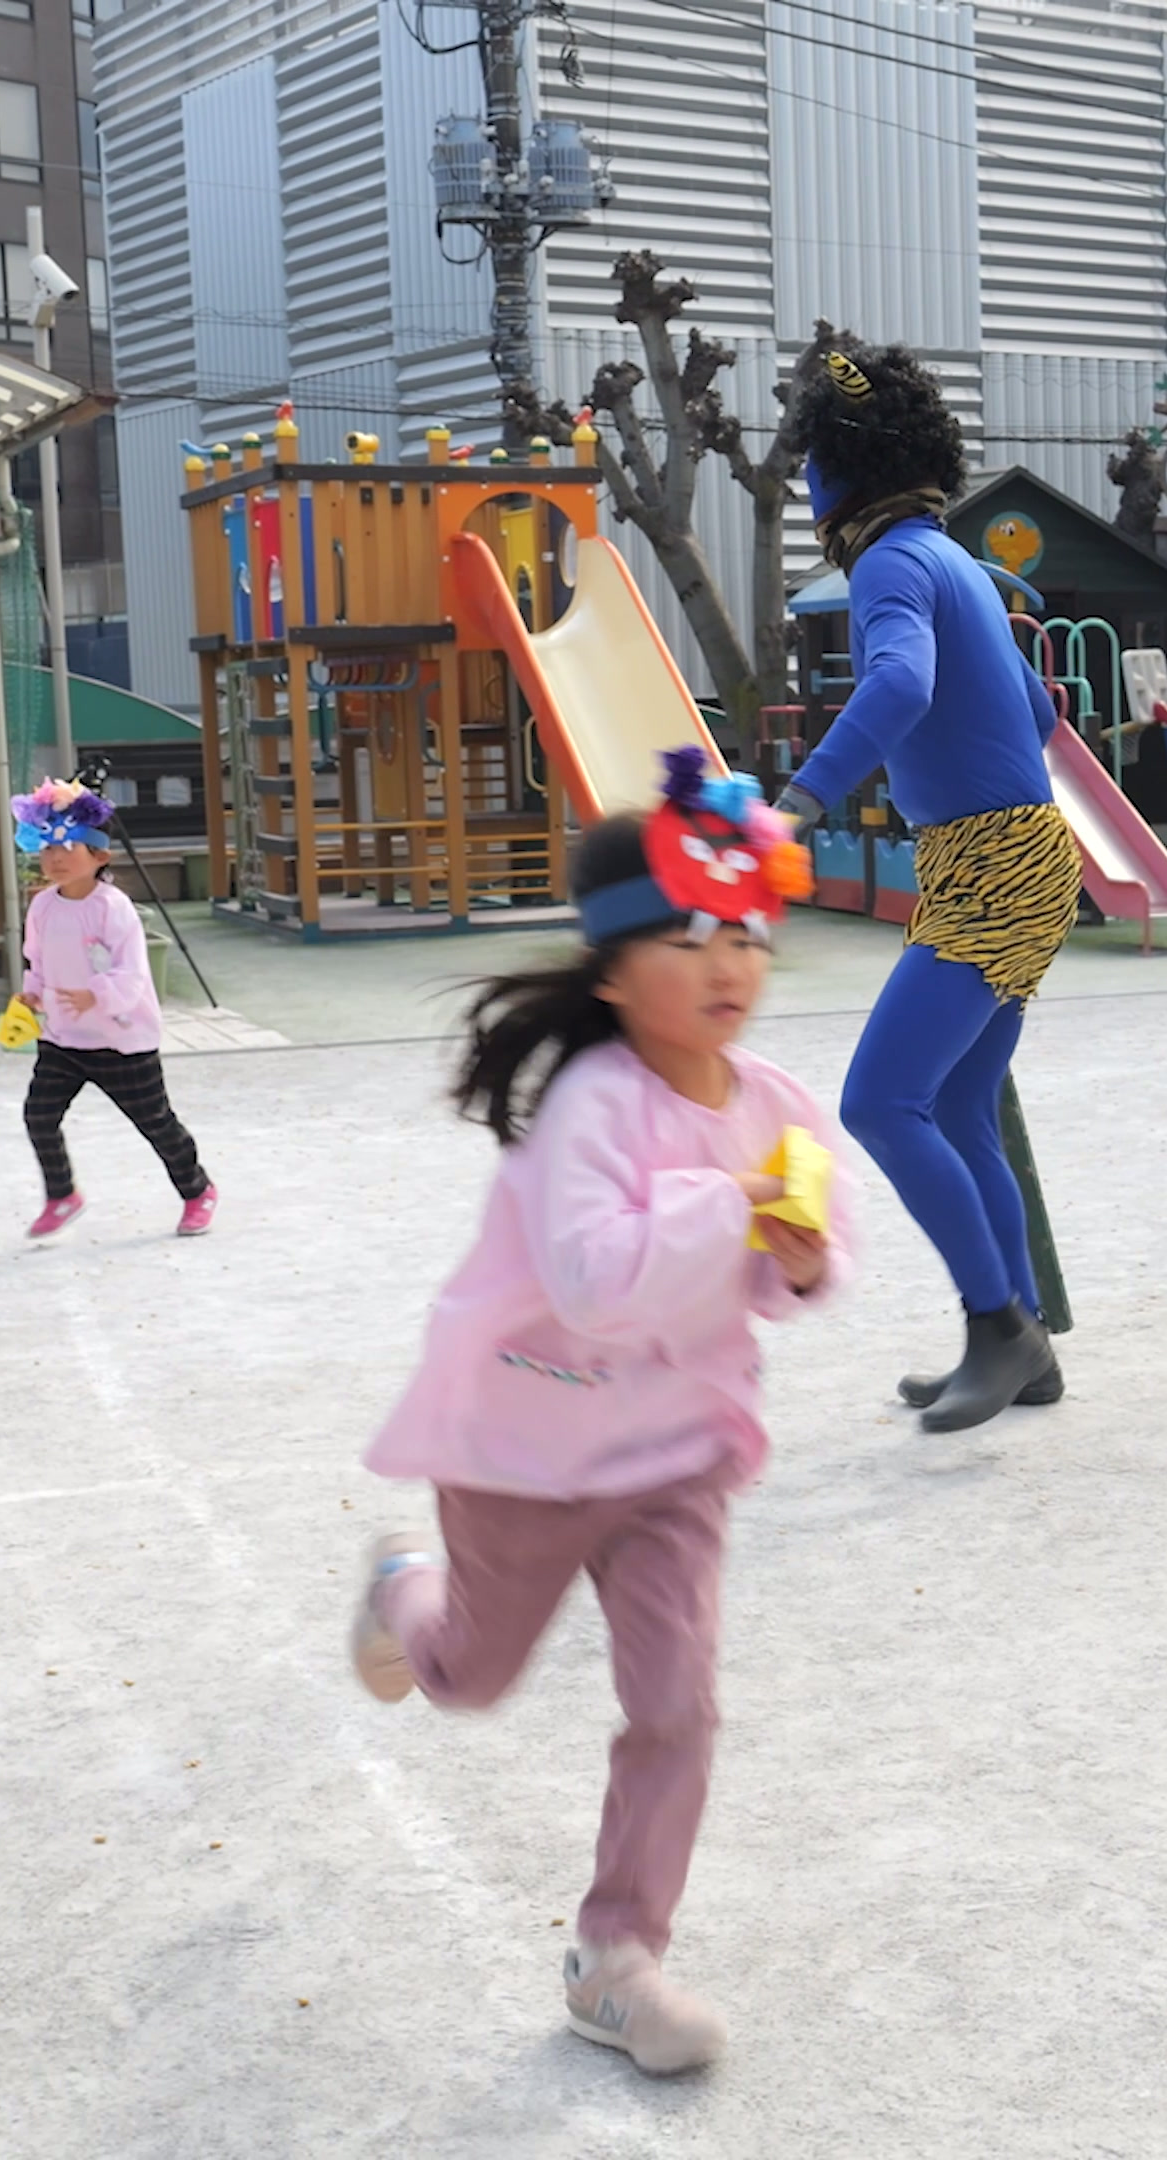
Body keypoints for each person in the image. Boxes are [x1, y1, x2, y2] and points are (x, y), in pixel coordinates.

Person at [347, 774, 852, 2077]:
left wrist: (798, 1259)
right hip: (530, 1450)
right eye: (690, 939)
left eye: (747, 934)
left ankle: (617, 1958)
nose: (729, 964)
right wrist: (735, 1207)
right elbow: (590, 1284)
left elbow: (803, 1267)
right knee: (468, 1678)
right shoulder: (594, 1104)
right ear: (616, 974)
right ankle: (403, 1590)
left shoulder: (778, 1102)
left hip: (676, 1458)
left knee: (678, 1705)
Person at [771, 341, 1076, 1431]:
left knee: (880, 1102)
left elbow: (901, 682)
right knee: (955, 1105)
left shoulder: (890, 567)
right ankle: (1023, 1342)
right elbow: (1039, 713)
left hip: (990, 862)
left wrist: (801, 800)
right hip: (1014, 852)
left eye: (812, 467)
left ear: (840, 471)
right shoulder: (956, 563)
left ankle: (1000, 1328)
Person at [13, 779, 216, 1240]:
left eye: (69, 848)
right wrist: (33, 993)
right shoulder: (42, 907)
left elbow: (132, 971)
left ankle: (197, 1190)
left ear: (100, 856)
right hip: (63, 1038)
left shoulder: (113, 907)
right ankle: (62, 1194)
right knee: (39, 1114)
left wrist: (96, 995)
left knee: (155, 1122)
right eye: (48, 849)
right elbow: (36, 959)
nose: (56, 858)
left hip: (120, 1039)